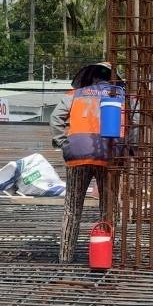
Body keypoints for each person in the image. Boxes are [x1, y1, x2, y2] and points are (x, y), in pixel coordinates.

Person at [50, 61, 124, 264]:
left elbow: (55, 119)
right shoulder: (121, 96)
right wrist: (128, 150)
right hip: (109, 156)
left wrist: (64, 143)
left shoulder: (74, 95)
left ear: (90, 77)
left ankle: (65, 257)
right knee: (109, 208)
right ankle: (106, 254)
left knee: (72, 208)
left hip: (77, 155)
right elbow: (134, 126)